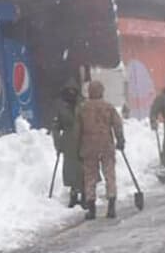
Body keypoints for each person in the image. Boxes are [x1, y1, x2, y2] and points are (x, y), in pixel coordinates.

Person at [76, 80, 124, 220]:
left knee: (90, 177)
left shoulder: (82, 108)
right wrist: (120, 140)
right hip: (106, 145)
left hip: (89, 147)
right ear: (101, 91)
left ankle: (91, 210)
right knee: (110, 175)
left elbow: (77, 131)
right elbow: (117, 125)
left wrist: (77, 147)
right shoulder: (108, 107)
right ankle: (111, 207)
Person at [51, 81, 85, 208]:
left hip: (83, 139)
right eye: (69, 91)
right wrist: (58, 143)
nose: (71, 93)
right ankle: (74, 193)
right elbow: (55, 127)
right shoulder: (61, 108)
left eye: (73, 91)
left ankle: (85, 193)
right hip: (69, 141)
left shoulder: (83, 104)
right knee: (71, 169)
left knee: (83, 168)